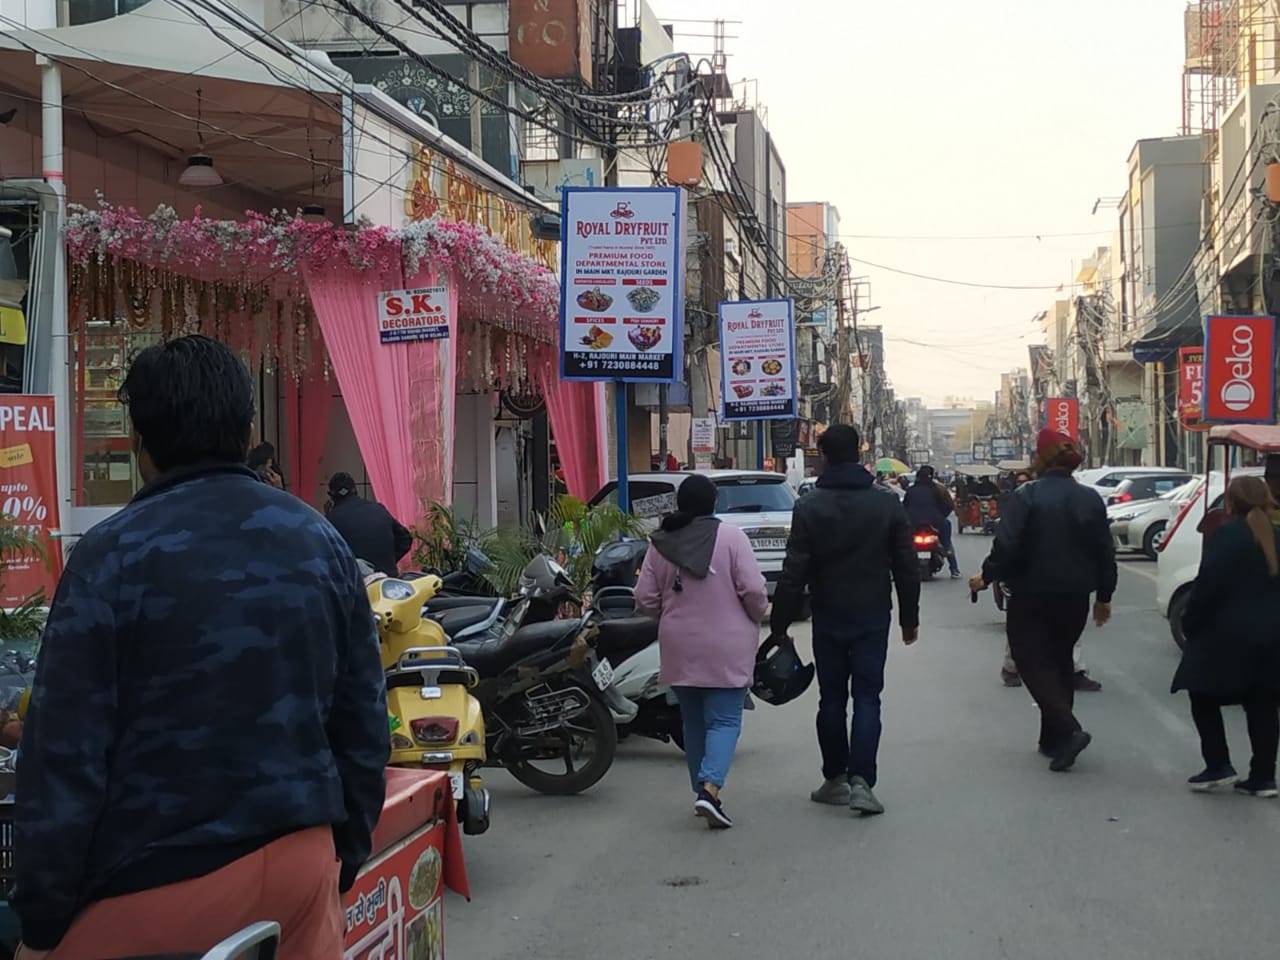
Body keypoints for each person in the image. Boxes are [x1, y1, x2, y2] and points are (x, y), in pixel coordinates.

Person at [13, 336, 389, 959]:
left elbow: (62, 757)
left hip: (151, 884)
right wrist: (339, 858)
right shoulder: (317, 541)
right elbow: (363, 723)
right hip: (300, 863)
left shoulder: (110, 557)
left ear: (140, 442)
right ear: (247, 431)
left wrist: (42, 923)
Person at [771, 424, 920, 815]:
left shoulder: (809, 506)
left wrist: (780, 622)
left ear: (825, 454)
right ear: (858, 452)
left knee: (832, 699)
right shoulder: (887, 503)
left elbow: (794, 569)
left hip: (829, 614)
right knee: (868, 697)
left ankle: (835, 778)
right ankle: (862, 783)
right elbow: (905, 565)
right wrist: (909, 617)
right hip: (873, 614)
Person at [969, 428, 1116, 772]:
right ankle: (1053, 740)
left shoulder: (1027, 495)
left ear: (1040, 458)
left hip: (1032, 593)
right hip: (1076, 595)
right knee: (1061, 661)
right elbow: (1104, 552)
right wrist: (1104, 596)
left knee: (1030, 661)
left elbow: (1007, 545)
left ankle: (1070, 729)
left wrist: (987, 576)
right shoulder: (1090, 498)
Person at [635, 474, 768, 829]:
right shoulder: (731, 537)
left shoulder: (660, 542)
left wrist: (669, 613)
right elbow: (754, 590)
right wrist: (758, 615)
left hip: (679, 644)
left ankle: (705, 791)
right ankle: (709, 790)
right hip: (727, 643)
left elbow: (644, 598)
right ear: (714, 502)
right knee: (724, 720)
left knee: (692, 722)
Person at [1172, 475, 1280, 797]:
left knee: (1202, 696)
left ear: (1230, 502)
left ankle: (1218, 765)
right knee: (1262, 704)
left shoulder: (1227, 536)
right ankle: (1263, 778)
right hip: (1272, 636)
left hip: (1225, 636)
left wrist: (1190, 624)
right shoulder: (1275, 536)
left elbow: (1207, 588)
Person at [995, 470, 1102, 692]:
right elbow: (1006, 542)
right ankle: (1013, 667)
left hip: (1065, 582)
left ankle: (1074, 671)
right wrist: (995, 574)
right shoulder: (1023, 502)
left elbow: (1099, 547)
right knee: (1021, 634)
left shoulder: (1075, 506)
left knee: (1069, 634)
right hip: (1029, 583)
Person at [325, 472, 414, 578]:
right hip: (387, 583)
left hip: (356, 584)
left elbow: (324, 555)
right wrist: (388, 562)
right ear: (355, 490)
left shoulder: (330, 520)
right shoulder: (378, 509)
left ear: (331, 495)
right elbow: (405, 539)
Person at [903, 464, 960, 578]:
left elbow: (904, 507)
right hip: (935, 521)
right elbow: (948, 506)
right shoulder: (938, 489)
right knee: (947, 543)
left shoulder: (910, 490)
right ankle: (954, 569)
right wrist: (941, 516)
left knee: (902, 543)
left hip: (913, 522)